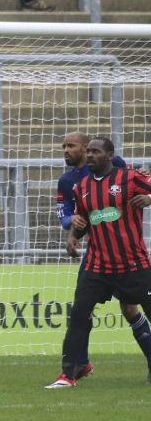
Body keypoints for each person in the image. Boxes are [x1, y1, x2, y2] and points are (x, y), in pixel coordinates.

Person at [45, 137, 151, 389]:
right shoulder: (81, 186)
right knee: (79, 314)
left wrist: (150, 198)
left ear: (110, 155)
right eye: (89, 151)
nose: (90, 155)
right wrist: (72, 237)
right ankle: (67, 375)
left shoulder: (129, 177)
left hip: (133, 264)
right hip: (98, 265)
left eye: (96, 151)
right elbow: (83, 220)